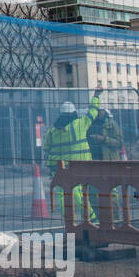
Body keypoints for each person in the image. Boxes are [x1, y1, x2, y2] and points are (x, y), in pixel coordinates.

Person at [46, 89, 101, 223]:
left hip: (58, 168)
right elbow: (93, 113)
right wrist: (96, 97)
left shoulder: (52, 130)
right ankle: (92, 221)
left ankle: (69, 223)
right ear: (74, 113)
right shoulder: (78, 125)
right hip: (77, 167)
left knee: (63, 195)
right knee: (80, 195)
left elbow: (47, 148)